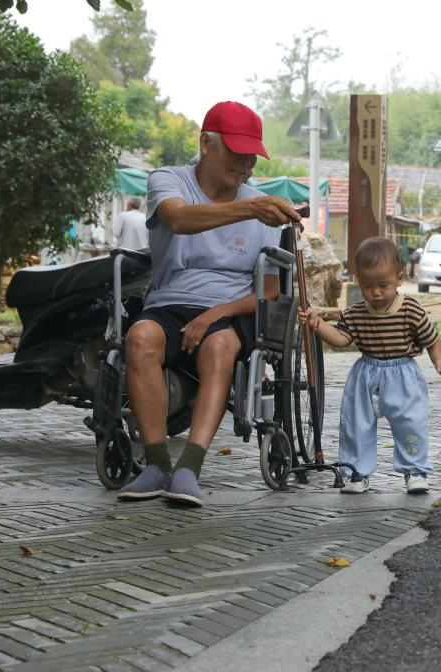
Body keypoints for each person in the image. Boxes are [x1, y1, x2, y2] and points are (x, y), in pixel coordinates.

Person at [117, 100, 302, 507]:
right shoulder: (169, 180)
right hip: (169, 300)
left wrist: (217, 313)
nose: (246, 164)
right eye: (237, 152)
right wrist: (250, 209)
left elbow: (270, 290)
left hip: (230, 308)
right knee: (140, 338)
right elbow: (179, 220)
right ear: (206, 144)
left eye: (252, 155)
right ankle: (155, 463)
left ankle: (189, 468)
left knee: (219, 346)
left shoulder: (261, 207)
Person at [299, 237, 441, 495]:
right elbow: (341, 339)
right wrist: (318, 325)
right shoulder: (355, 313)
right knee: (356, 425)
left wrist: (439, 360)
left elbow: (431, 339)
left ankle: (415, 471)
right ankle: (357, 473)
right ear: (358, 281)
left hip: (403, 374)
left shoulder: (411, 310)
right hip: (365, 375)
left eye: (384, 285)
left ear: (400, 279)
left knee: (410, 423)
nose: (376, 293)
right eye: (369, 286)